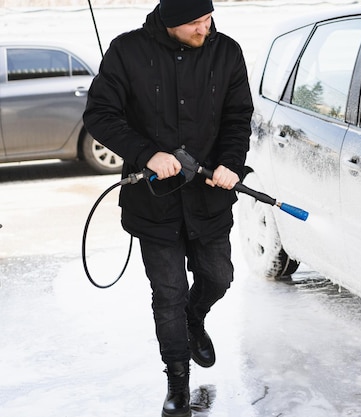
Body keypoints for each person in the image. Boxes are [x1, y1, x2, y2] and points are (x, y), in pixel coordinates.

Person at [82, 0, 253, 415]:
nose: (204, 29)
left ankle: (196, 318)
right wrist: (146, 153)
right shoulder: (127, 52)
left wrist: (230, 162)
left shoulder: (226, 51)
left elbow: (238, 117)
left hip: (208, 197)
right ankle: (177, 383)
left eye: (208, 19)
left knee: (218, 276)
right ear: (170, 21)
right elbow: (99, 115)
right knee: (168, 293)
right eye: (195, 22)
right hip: (153, 202)